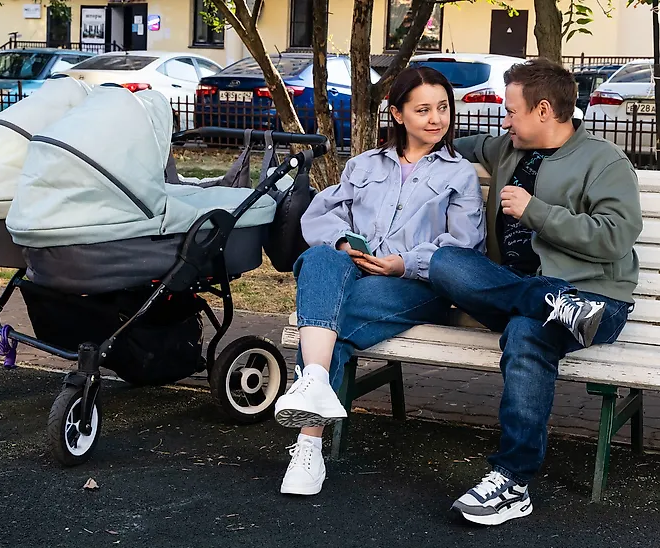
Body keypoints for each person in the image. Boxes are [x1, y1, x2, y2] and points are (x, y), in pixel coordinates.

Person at [427, 58, 642, 526]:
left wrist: (535, 212)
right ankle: (547, 301)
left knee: (526, 333)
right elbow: (456, 143)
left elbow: (616, 237)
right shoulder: (508, 148)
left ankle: (512, 480)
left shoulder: (604, 161)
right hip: (521, 293)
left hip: (595, 301)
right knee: (444, 263)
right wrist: (416, 140)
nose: (504, 122)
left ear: (543, 111)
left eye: (511, 111)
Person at [272, 66, 486, 496]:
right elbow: (321, 215)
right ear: (397, 114)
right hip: (354, 273)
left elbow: (464, 245)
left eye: (442, 108)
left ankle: (308, 439)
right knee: (320, 256)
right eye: (422, 109)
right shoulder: (364, 164)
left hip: (417, 286)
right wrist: (343, 243)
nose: (436, 119)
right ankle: (315, 389)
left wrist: (402, 263)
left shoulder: (458, 174)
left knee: (327, 323)